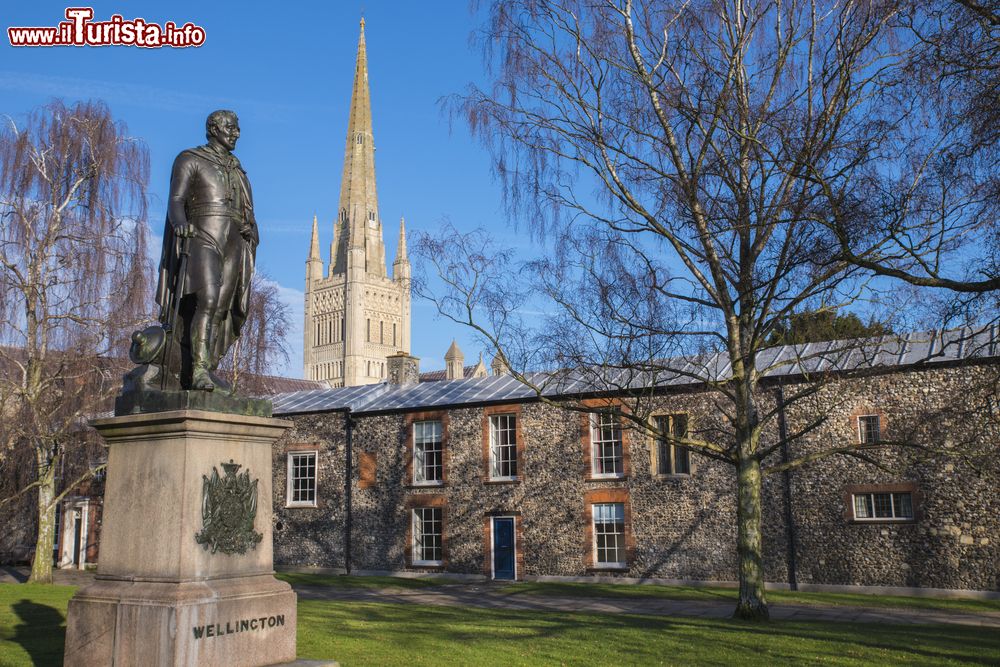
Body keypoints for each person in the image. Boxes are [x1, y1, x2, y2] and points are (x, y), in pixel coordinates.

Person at [154, 110, 258, 391]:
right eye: (231, 128)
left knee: (223, 307)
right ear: (213, 129)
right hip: (203, 234)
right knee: (208, 299)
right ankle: (197, 371)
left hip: (234, 240)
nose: (236, 133)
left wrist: (250, 227)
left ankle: (207, 367)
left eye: (237, 128)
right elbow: (175, 200)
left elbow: (246, 210)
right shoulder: (190, 159)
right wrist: (180, 224)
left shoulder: (237, 169)